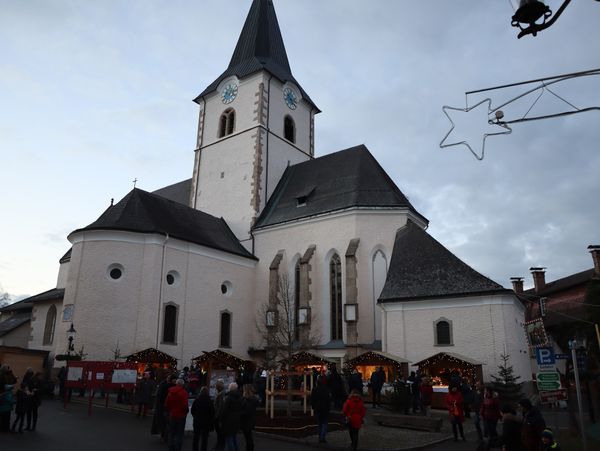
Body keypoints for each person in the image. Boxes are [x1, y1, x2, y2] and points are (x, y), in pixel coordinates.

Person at [164, 378, 189, 451]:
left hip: (172, 414)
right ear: (182, 385)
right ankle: (177, 448)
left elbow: (166, 404)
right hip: (181, 415)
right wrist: (186, 412)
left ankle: (171, 446)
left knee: (172, 432)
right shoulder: (184, 393)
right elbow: (185, 405)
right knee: (179, 433)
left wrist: (169, 411)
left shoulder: (170, 392)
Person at [152, 374, 176, 442]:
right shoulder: (165, 385)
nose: (168, 379)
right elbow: (160, 396)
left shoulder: (165, 385)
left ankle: (165, 436)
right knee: (164, 422)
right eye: (168, 378)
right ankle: (164, 436)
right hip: (163, 407)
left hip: (165, 407)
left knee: (165, 422)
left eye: (169, 378)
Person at [219, 382, 243, 451]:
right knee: (234, 438)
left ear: (230, 388)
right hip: (236, 420)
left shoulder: (228, 398)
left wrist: (220, 419)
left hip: (228, 421)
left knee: (229, 439)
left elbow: (224, 410)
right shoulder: (240, 397)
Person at [191, 386, 214, 451]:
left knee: (196, 437)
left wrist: (195, 416)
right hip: (206, 422)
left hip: (197, 421)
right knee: (205, 439)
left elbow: (193, 410)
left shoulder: (197, 400)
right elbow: (212, 412)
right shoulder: (209, 401)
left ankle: (195, 449)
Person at [310, 375, 331, 443]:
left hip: (318, 409)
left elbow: (312, 399)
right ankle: (322, 437)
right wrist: (329, 408)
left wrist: (313, 407)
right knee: (324, 423)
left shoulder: (314, 389)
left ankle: (320, 437)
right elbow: (329, 400)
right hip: (325, 409)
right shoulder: (326, 390)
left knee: (319, 423)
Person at [240, 384, 258, 451]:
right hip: (249, 421)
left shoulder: (249, 400)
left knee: (248, 438)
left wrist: (239, 412)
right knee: (248, 437)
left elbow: (247, 412)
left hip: (247, 422)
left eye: (244, 390)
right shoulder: (250, 399)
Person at [214, 379, 227, 450]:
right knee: (219, 432)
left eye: (216, 386)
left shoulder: (221, 395)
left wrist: (217, 416)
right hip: (219, 415)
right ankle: (219, 444)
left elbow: (220, 406)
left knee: (220, 432)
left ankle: (220, 445)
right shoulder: (220, 394)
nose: (215, 387)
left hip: (219, 416)